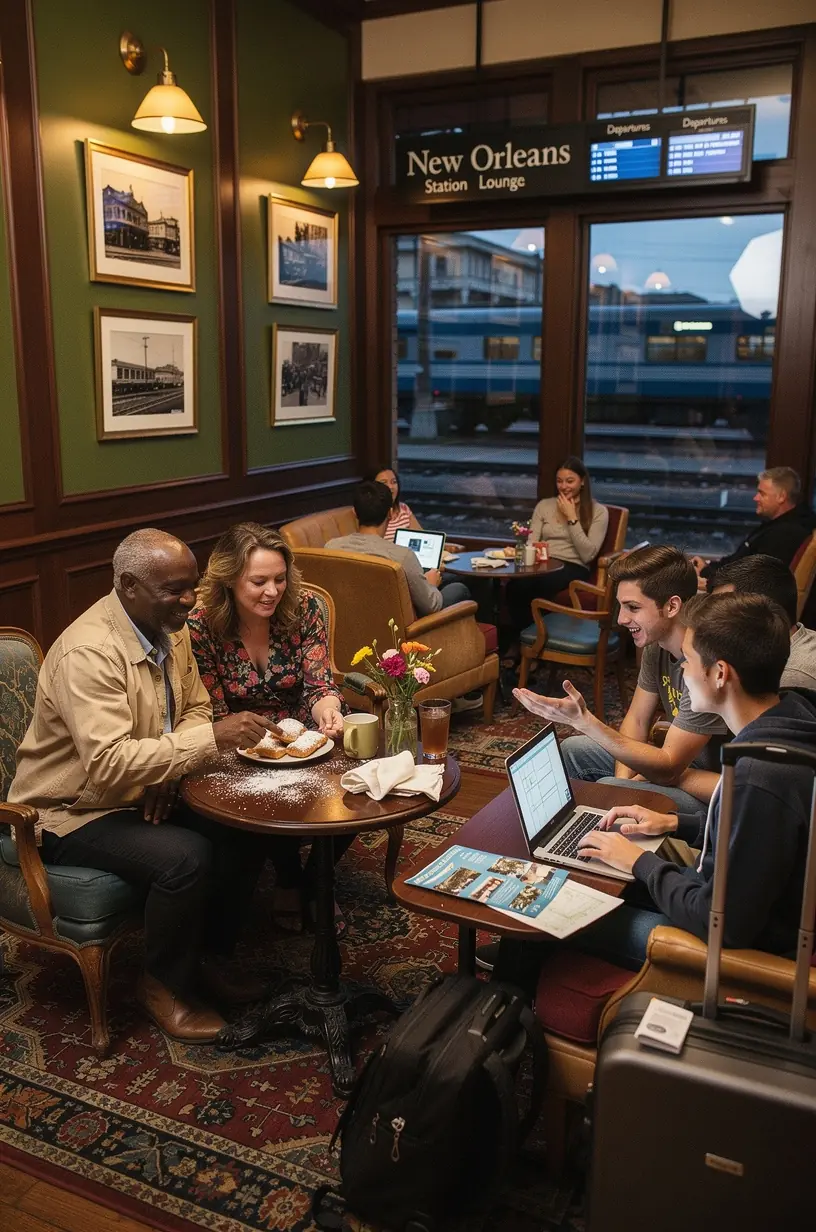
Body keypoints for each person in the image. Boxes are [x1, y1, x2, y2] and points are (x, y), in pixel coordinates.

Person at [8, 529, 276, 1042]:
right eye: (174, 589)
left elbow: (195, 705)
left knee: (246, 819)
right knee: (186, 856)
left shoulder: (167, 626)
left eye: (192, 586)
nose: (189, 600)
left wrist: (168, 769)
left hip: (139, 785)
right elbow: (107, 765)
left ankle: (207, 959)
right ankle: (161, 987)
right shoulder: (89, 652)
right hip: (71, 810)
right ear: (129, 585)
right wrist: (198, 745)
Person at [495, 592, 816, 989]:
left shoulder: (759, 774)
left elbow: (722, 924)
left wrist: (638, 864)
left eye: (688, 662)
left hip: (733, 957)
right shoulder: (791, 718)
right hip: (733, 908)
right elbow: (757, 841)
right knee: (586, 880)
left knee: (544, 909)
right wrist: (674, 822)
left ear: (720, 673)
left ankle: (501, 1012)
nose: (681, 674)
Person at [187, 522, 349, 933]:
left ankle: (314, 878)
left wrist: (328, 707)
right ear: (228, 580)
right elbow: (209, 709)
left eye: (279, 579)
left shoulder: (306, 608)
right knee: (267, 791)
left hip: (306, 734)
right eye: (259, 581)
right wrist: (245, 737)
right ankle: (290, 878)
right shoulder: (200, 625)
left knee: (358, 786)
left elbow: (318, 683)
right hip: (236, 741)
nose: (272, 592)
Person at [514, 546, 728, 840]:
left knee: (607, 790)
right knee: (573, 751)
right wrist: (619, 781)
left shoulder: (703, 661)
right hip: (678, 769)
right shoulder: (657, 645)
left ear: (672, 606)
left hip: (711, 798)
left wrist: (586, 722)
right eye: (621, 606)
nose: (621, 619)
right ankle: (560, 840)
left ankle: (599, 854)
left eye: (633, 607)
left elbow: (668, 768)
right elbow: (637, 722)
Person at [326, 481, 471, 615]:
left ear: (355, 513)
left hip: (350, 620)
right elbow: (431, 605)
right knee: (458, 588)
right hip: (399, 627)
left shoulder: (331, 548)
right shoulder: (402, 556)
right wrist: (431, 585)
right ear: (390, 513)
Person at [507, 456, 609, 631]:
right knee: (515, 586)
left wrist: (571, 518)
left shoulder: (599, 511)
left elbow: (588, 554)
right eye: (559, 481)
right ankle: (525, 640)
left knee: (538, 585)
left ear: (582, 481)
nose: (564, 486)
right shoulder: (544, 506)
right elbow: (533, 541)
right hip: (544, 563)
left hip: (573, 566)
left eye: (570, 481)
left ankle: (538, 639)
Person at [693, 467, 816, 583]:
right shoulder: (775, 524)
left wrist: (708, 577)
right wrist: (708, 566)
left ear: (781, 497)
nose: (755, 498)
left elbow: (755, 580)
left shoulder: (786, 533)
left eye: (762, 493)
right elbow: (740, 561)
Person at [712, 554, 816, 690]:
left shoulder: (788, 676)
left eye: (721, 612)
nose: (710, 621)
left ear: (762, 616)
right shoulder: (794, 639)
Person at [366, 465, 421, 542]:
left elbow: (421, 536)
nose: (390, 487)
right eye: (384, 482)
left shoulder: (403, 508)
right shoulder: (366, 512)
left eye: (394, 482)